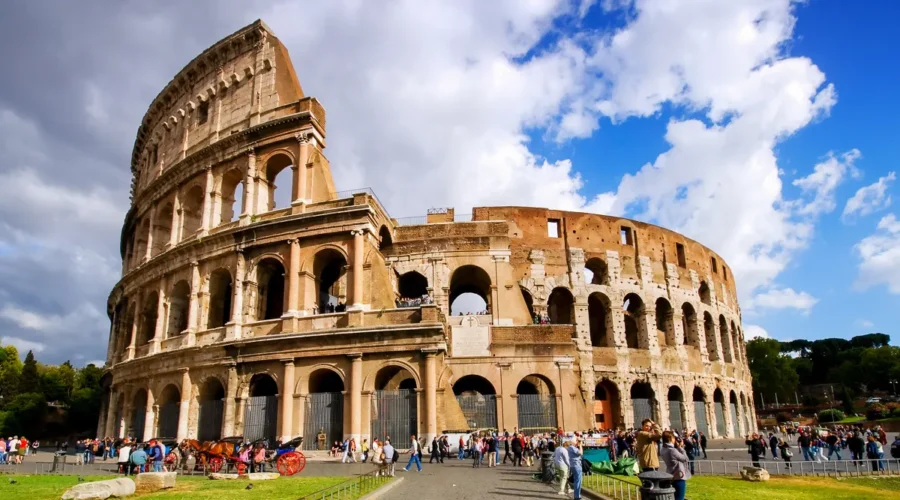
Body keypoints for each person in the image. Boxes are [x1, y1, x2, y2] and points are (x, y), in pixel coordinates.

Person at [660, 431, 690, 500]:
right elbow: (685, 459)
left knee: (674, 497)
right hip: (679, 476)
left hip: (670, 474)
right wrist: (680, 448)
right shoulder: (672, 450)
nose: (674, 439)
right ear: (670, 438)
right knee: (680, 497)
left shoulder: (663, 449)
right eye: (673, 438)